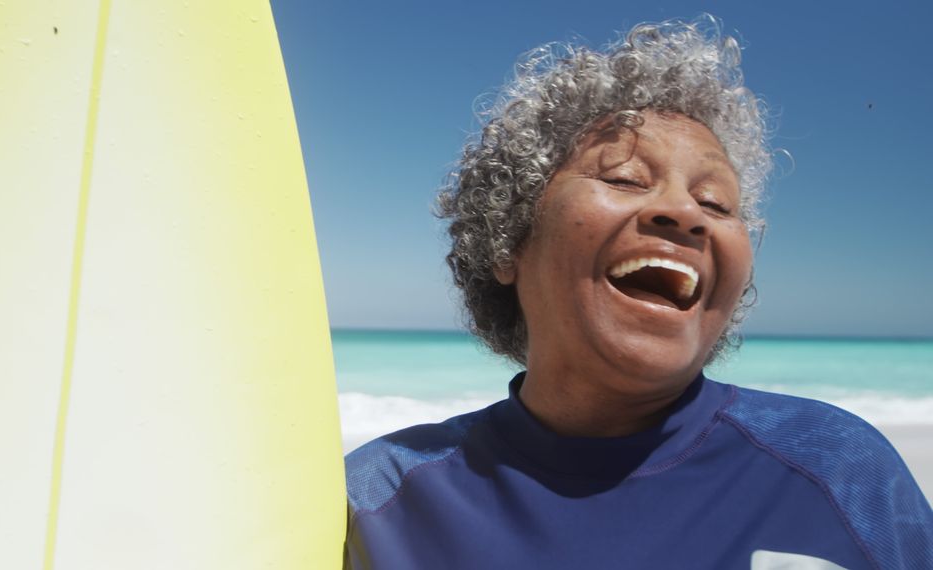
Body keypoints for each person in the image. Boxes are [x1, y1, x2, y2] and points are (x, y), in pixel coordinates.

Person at [343, 17, 932, 569]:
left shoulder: (836, 468)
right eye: (623, 178)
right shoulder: (378, 502)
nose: (685, 214)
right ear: (508, 243)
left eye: (715, 204)